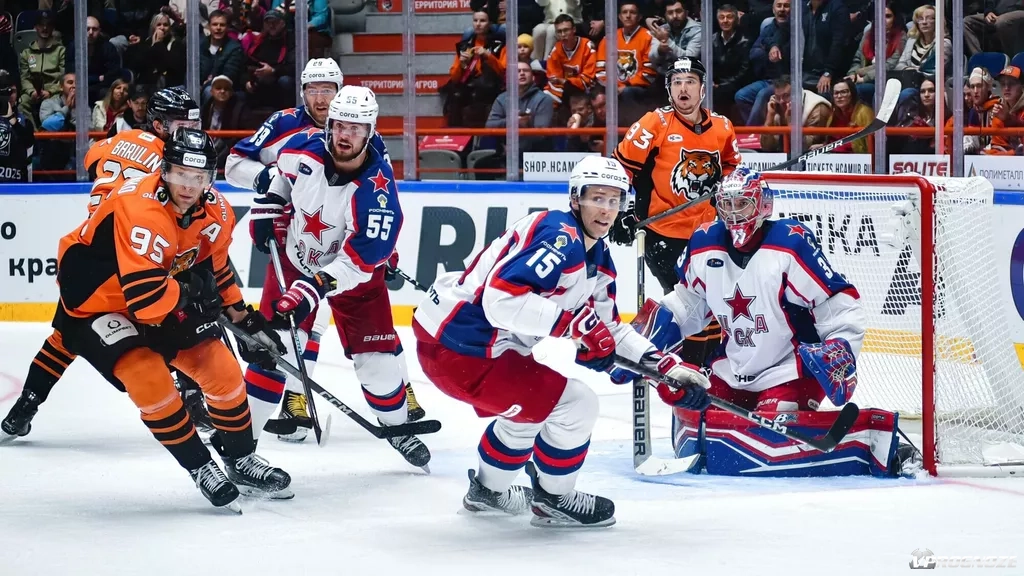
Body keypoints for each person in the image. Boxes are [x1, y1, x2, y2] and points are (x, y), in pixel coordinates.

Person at [412, 156, 712, 528]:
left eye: (614, 200)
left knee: (533, 407)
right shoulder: (561, 237)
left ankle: (488, 493)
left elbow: (610, 330)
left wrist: (665, 369)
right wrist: (572, 325)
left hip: (457, 343)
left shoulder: (596, 257)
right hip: (463, 348)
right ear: (575, 198)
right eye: (597, 198)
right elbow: (500, 300)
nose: (606, 209)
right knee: (576, 405)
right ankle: (554, 499)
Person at [613, 168, 918, 477]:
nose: (734, 214)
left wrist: (841, 348)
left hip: (790, 369)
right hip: (733, 366)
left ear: (763, 206)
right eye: (727, 204)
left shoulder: (789, 245)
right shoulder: (705, 243)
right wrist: (640, 342)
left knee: (770, 428)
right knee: (697, 412)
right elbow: (688, 303)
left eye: (742, 203)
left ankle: (868, 439)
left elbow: (836, 303)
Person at [51, 128, 291, 511]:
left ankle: (240, 458)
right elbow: (146, 302)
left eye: (199, 177)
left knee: (223, 371)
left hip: (162, 292)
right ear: (164, 171)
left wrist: (244, 320)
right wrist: (191, 293)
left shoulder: (217, 210)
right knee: (149, 378)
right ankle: (200, 466)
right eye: (180, 174)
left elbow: (216, 269)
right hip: (96, 302)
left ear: (210, 178)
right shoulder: (140, 209)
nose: (189, 186)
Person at [225, 58, 423, 442]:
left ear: (370, 132)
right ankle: (242, 443)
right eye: (339, 126)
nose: (344, 135)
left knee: (377, 366)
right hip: (297, 257)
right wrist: (269, 207)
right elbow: (281, 178)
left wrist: (319, 284)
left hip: (353, 277)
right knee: (274, 347)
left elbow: (360, 257)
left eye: (355, 128)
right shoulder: (299, 143)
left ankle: (399, 423)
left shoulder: (377, 189)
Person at [2, 87, 206, 443]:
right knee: (173, 320)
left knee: (65, 337)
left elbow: (92, 159)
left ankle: (24, 408)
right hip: (133, 250)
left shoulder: (116, 140)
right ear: (159, 125)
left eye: (193, 124)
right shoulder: (172, 161)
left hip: (89, 254)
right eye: (181, 124)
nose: (190, 131)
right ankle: (193, 401)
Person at [610, 57, 740, 370]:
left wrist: (727, 188)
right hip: (662, 236)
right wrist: (620, 211)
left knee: (712, 304)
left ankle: (707, 370)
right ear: (669, 90)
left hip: (707, 235)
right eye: (677, 82)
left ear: (702, 89)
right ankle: (691, 370)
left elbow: (731, 168)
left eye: (690, 81)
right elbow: (620, 168)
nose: (683, 88)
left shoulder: (722, 127)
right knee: (687, 304)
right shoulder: (653, 124)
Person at [0, 69, 33, 183]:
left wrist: (12, 121)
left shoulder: (24, 121)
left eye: (12, 91)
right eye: (3, 92)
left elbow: (28, 143)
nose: (9, 96)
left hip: (16, 182)